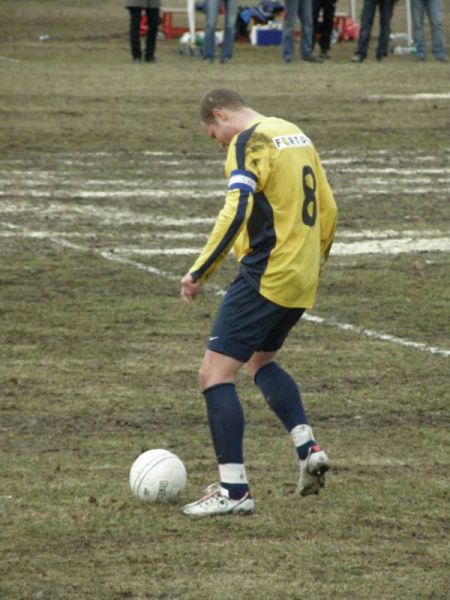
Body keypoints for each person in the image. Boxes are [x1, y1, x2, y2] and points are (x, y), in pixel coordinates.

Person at [180, 89, 337, 517]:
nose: (219, 145)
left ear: (219, 115)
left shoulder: (249, 141)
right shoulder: (294, 132)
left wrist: (200, 271)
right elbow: (328, 207)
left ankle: (233, 491)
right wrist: (314, 262)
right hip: (301, 274)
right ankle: (308, 448)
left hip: (267, 273)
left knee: (214, 374)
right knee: (260, 361)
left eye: (213, 135)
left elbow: (236, 209)